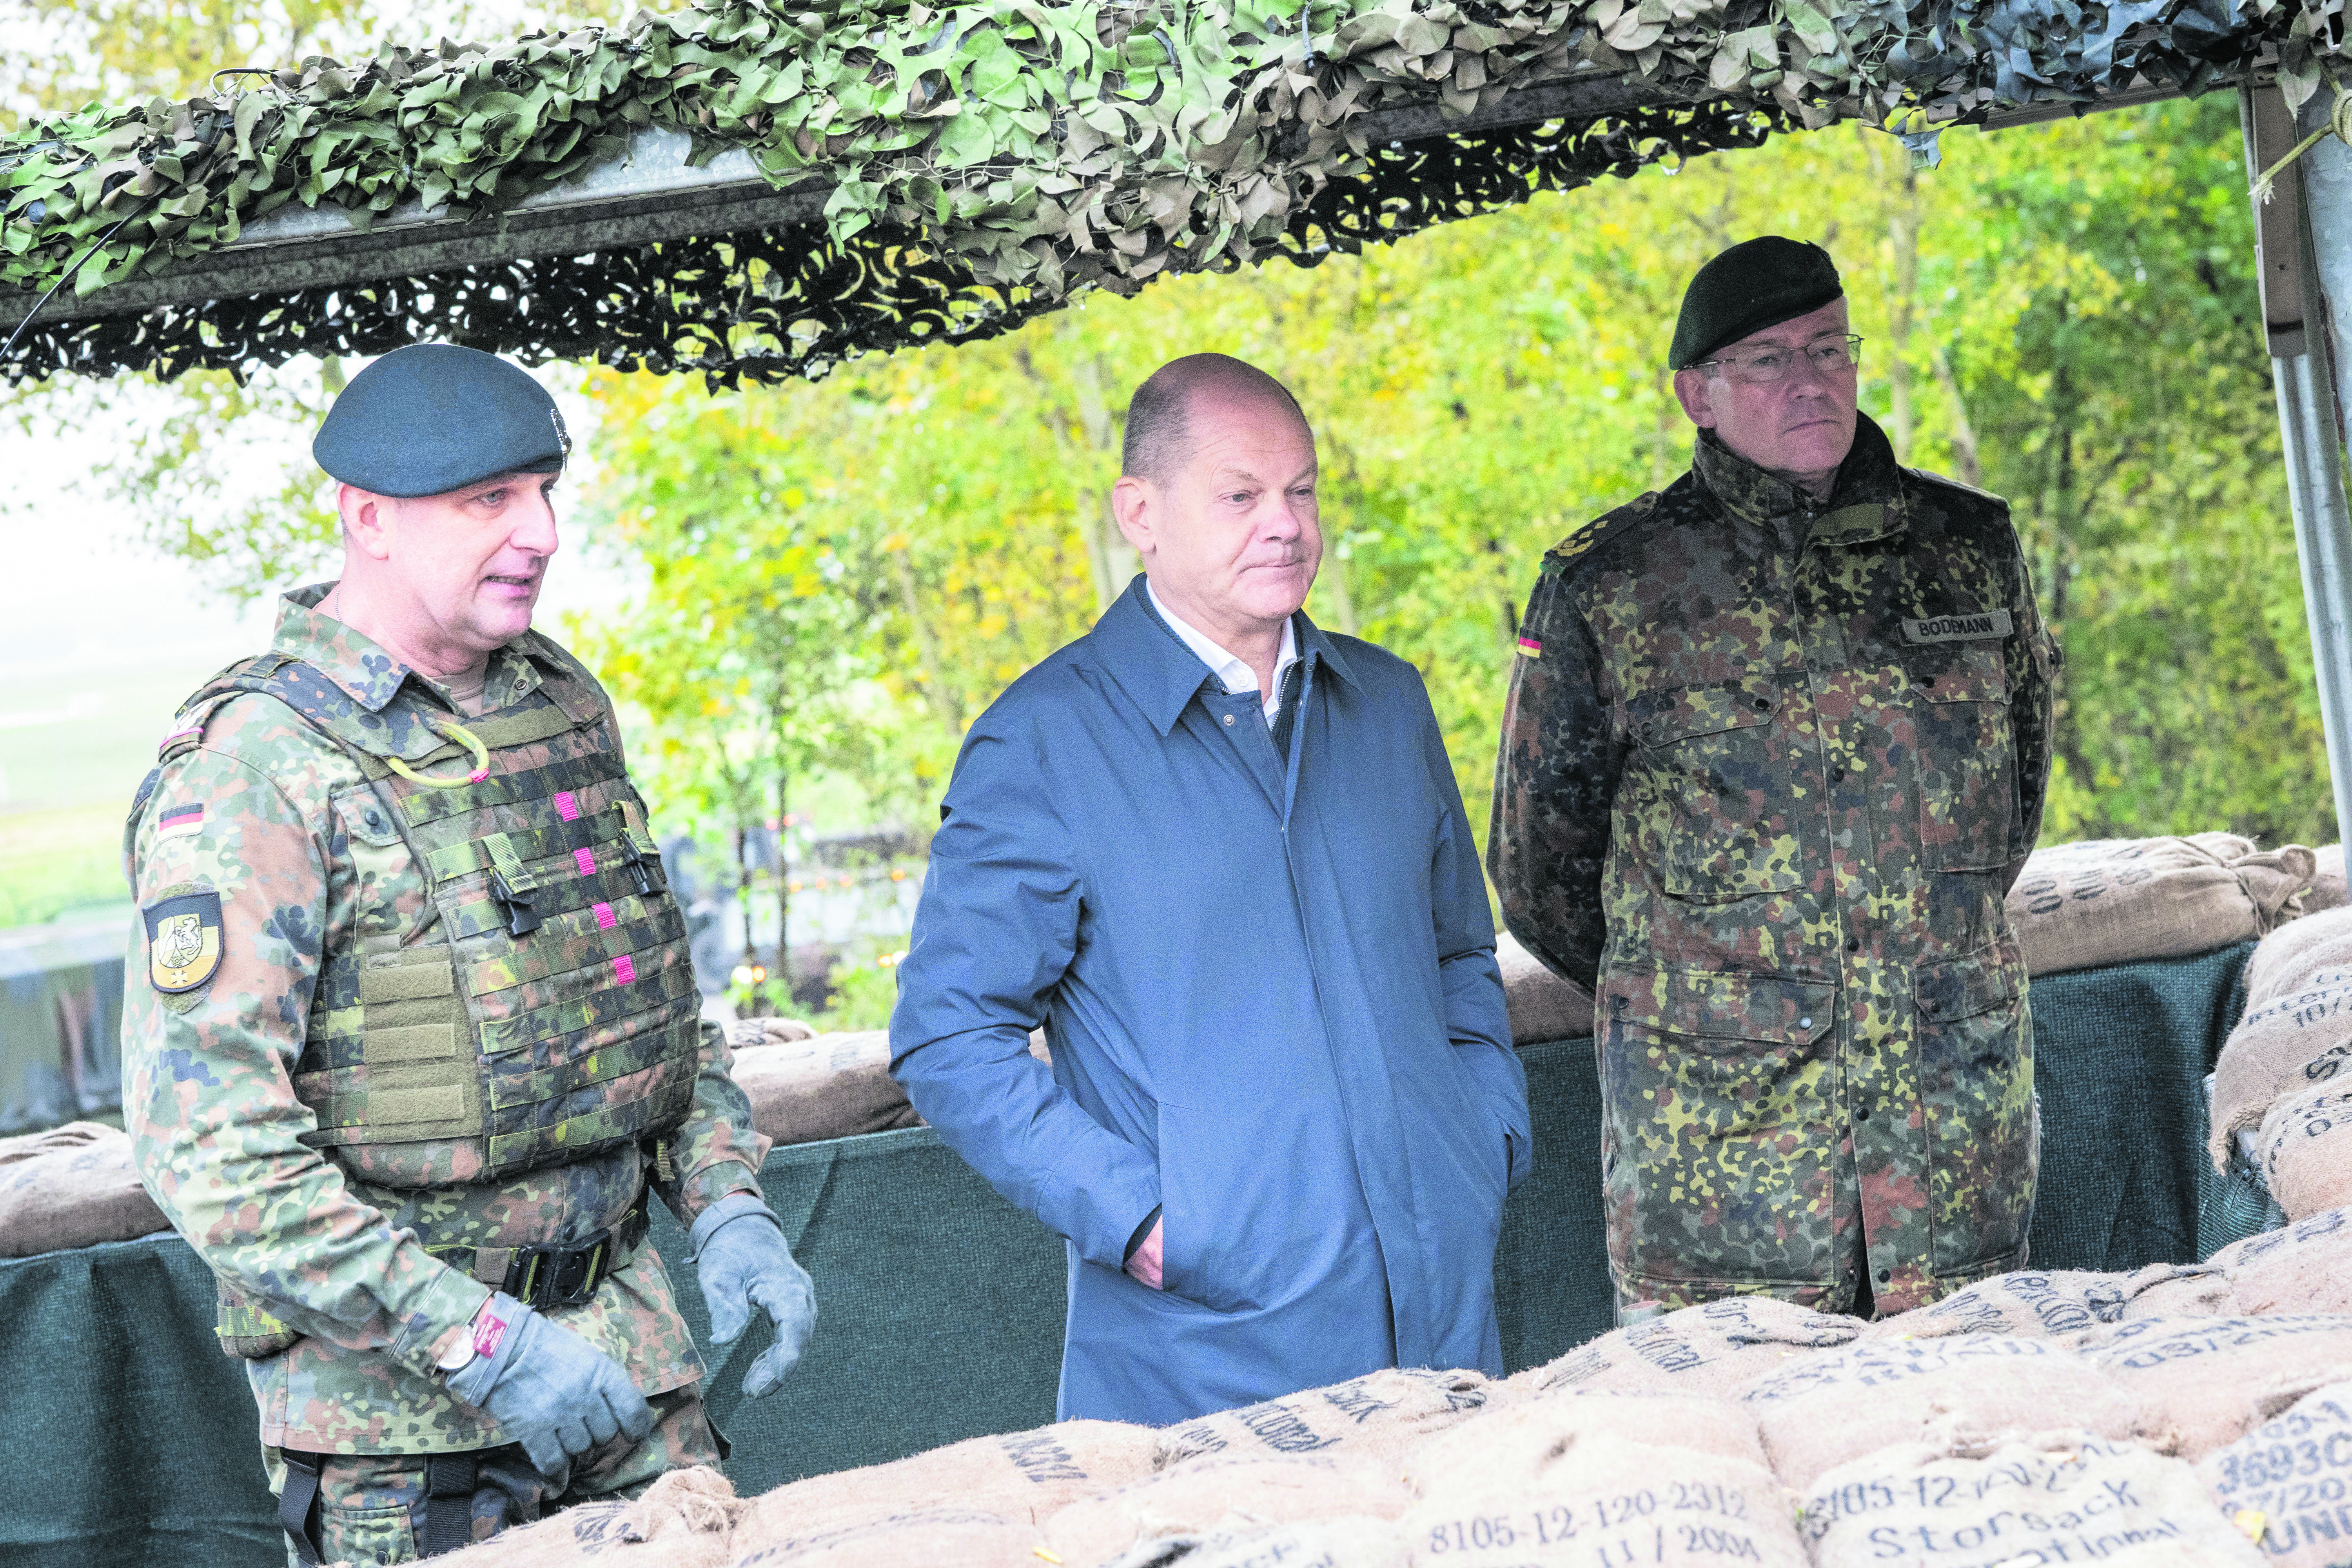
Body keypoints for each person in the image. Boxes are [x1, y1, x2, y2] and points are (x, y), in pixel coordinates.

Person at [120, 344, 816, 1564]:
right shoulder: (256, 768)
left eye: (546, 490)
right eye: (488, 500)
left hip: (632, 1375)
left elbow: (641, 1007)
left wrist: (729, 1206)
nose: (540, 531)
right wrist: (478, 1343)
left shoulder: (559, 701)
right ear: (368, 518)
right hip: (408, 1429)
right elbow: (214, 1151)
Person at [891, 353, 1529, 1426]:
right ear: (1139, 512)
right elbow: (948, 1036)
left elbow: (1459, 953)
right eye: (1240, 496)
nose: (1284, 523)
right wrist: (1141, 1218)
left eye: (1303, 490)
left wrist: (1481, 1141)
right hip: (1204, 1355)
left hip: (1442, 1318)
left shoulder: (1385, 706)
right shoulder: (1044, 743)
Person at [1488, 237, 2059, 1324]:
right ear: (1695, 395)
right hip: (1723, 1173)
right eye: (1768, 360)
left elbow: (2011, 807)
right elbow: (1541, 875)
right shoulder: (1611, 586)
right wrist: (1720, 996)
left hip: (1949, 1148)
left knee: (1964, 1446)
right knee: (1726, 1461)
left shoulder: (1969, 549)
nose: (1811, 378)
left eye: (1829, 346)